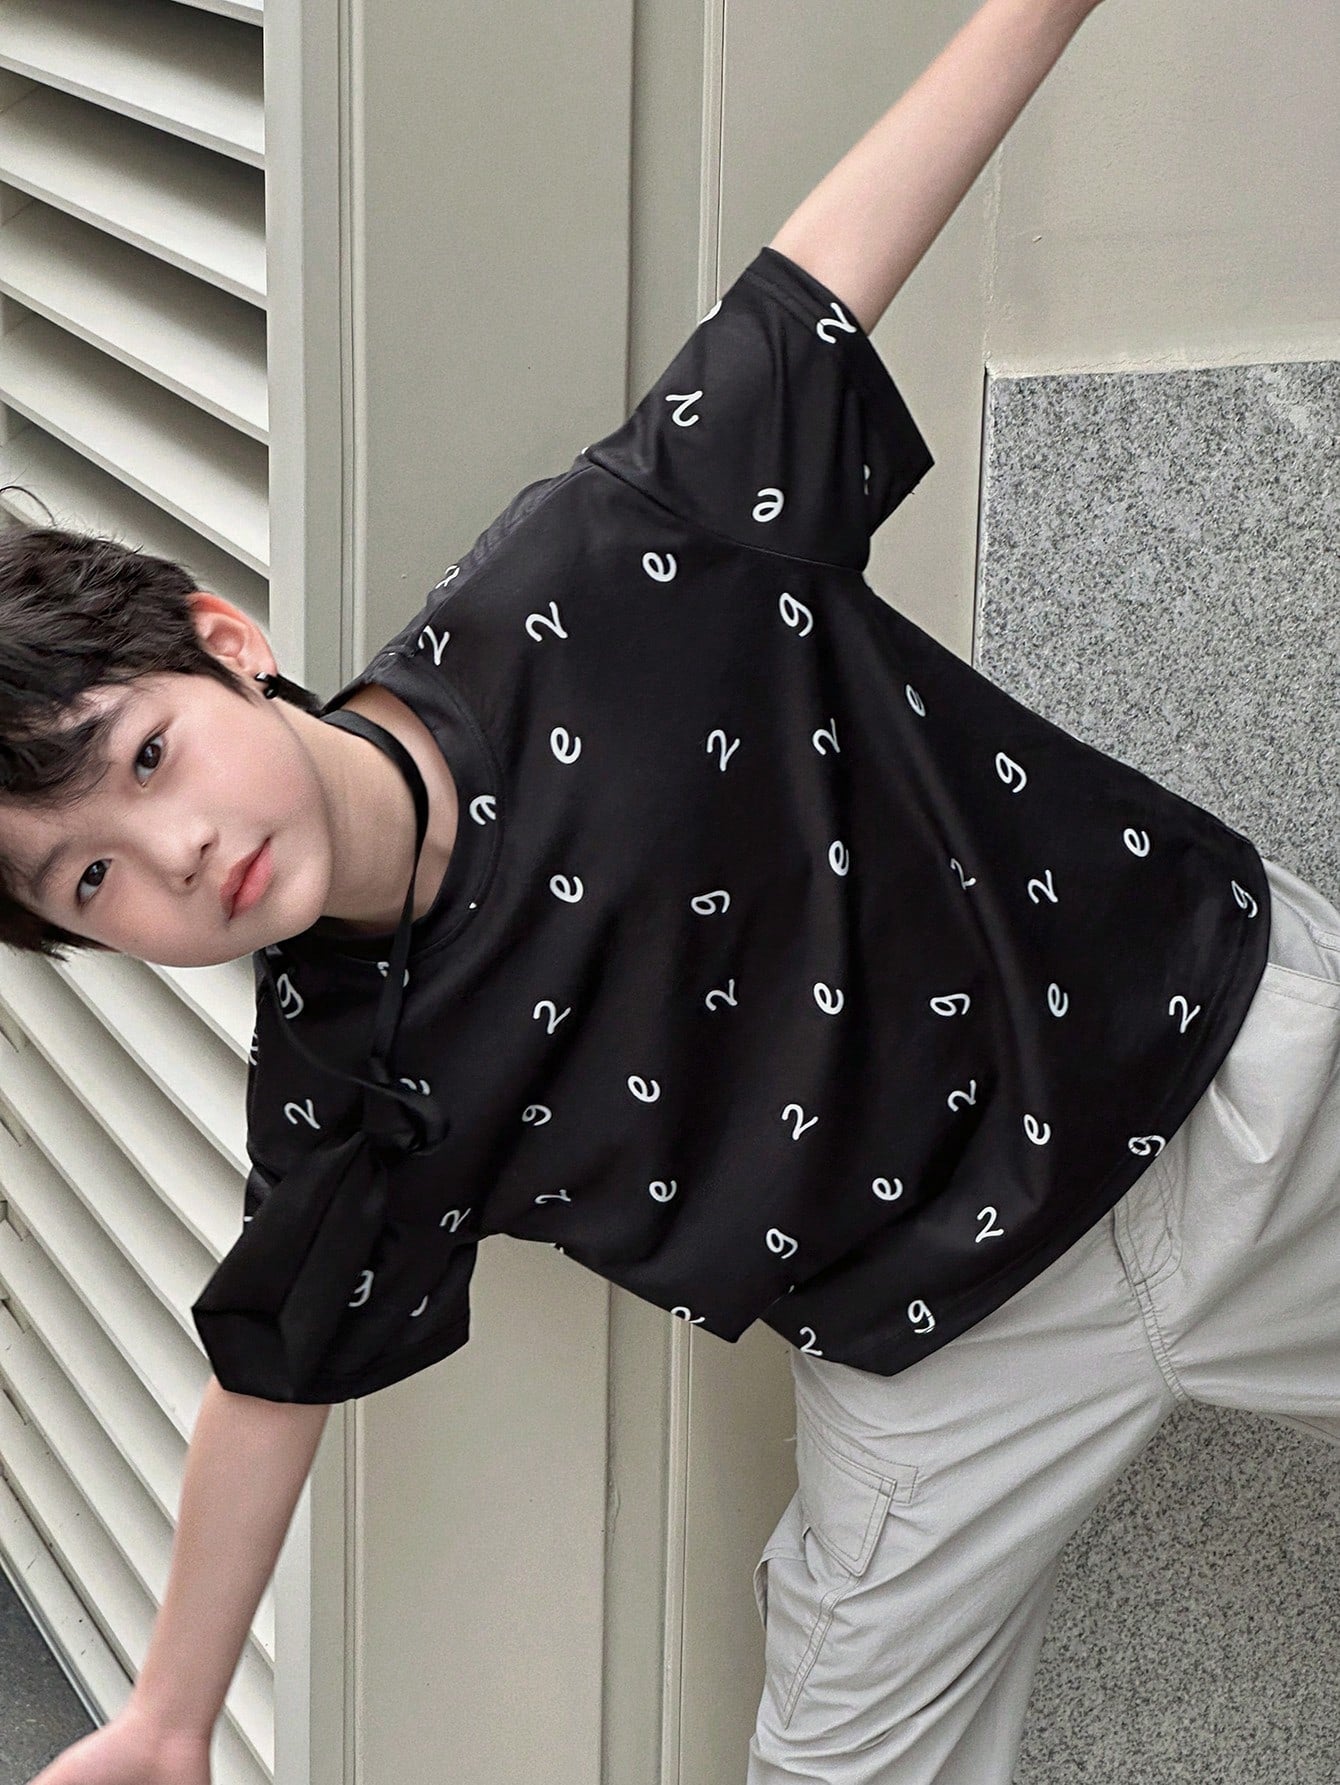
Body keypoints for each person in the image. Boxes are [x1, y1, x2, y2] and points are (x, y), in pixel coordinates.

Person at [5, 0, 1335, 1778]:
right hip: (937, 1357)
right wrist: (171, 1716)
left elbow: (826, 272)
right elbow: (272, 1371)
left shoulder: (610, 567)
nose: (168, 851)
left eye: (149, 756)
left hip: (1235, 1084)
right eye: (92, 878)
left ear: (224, 642)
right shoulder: (347, 1073)